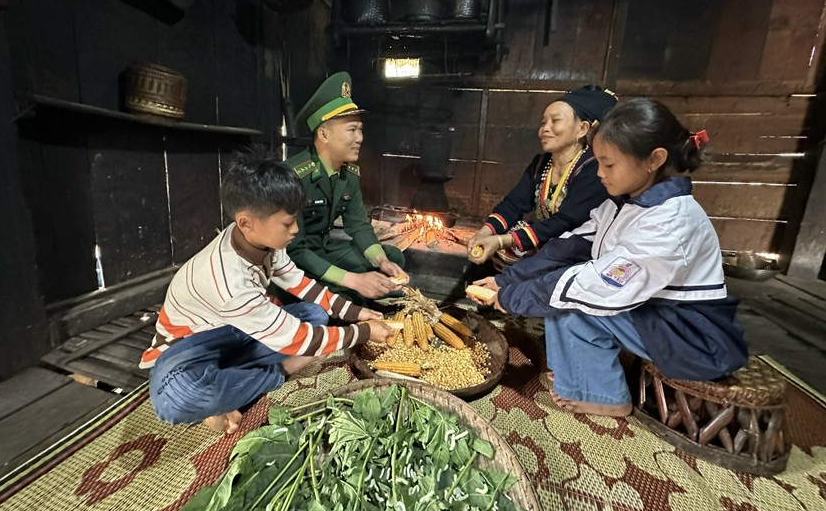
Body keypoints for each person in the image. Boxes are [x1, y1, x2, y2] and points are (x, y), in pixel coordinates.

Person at [469, 98, 748, 417]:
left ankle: (604, 395)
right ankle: (575, 373)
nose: (600, 174)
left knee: (571, 298)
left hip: (692, 337)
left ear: (654, 159)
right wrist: (507, 280)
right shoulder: (623, 205)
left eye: (609, 164)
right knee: (562, 281)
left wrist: (513, 296)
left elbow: (595, 285)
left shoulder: (671, 222)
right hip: (654, 315)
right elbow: (569, 245)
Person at [141, 152, 392, 434]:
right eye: (288, 223)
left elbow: (300, 283)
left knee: (316, 314)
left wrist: (356, 313)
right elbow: (296, 337)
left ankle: (236, 375)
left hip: (233, 330)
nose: (296, 230)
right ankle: (278, 372)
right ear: (247, 222)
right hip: (189, 349)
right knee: (175, 402)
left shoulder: (263, 243)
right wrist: (365, 332)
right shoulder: (229, 281)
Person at [284, 71, 409, 302]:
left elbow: (359, 226)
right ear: (323, 134)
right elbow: (294, 250)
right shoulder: (293, 176)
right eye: (352, 130)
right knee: (351, 285)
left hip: (325, 251)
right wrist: (354, 280)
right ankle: (337, 292)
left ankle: (336, 291)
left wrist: (382, 261)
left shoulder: (348, 174)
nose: (360, 138)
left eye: (360, 130)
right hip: (295, 261)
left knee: (392, 257)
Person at [467, 85, 617, 268]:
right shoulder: (541, 163)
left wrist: (501, 241)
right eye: (543, 123)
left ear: (582, 129)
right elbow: (513, 204)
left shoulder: (592, 167)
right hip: (550, 243)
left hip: (575, 251)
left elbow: (565, 222)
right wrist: (484, 233)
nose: (545, 129)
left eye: (556, 121)